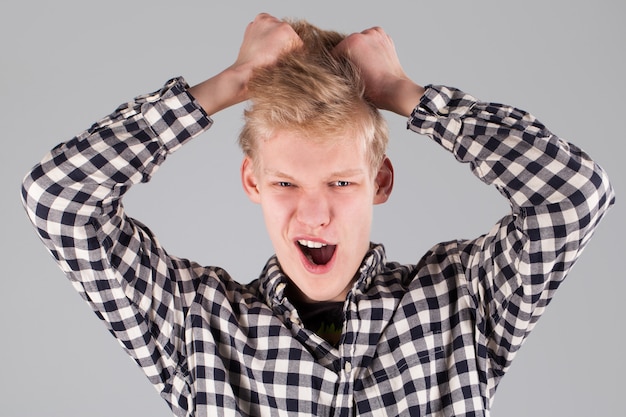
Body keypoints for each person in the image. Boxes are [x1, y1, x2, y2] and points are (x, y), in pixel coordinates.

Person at [21, 12, 614, 417]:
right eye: (285, 182)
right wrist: (227, 85)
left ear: (379, 182)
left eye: (340, 181)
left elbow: (573, 196)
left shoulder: (463, 302)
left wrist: (409, 95)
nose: (314, 213)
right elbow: (59, 199)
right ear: (252, 181)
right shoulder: (195, 327)